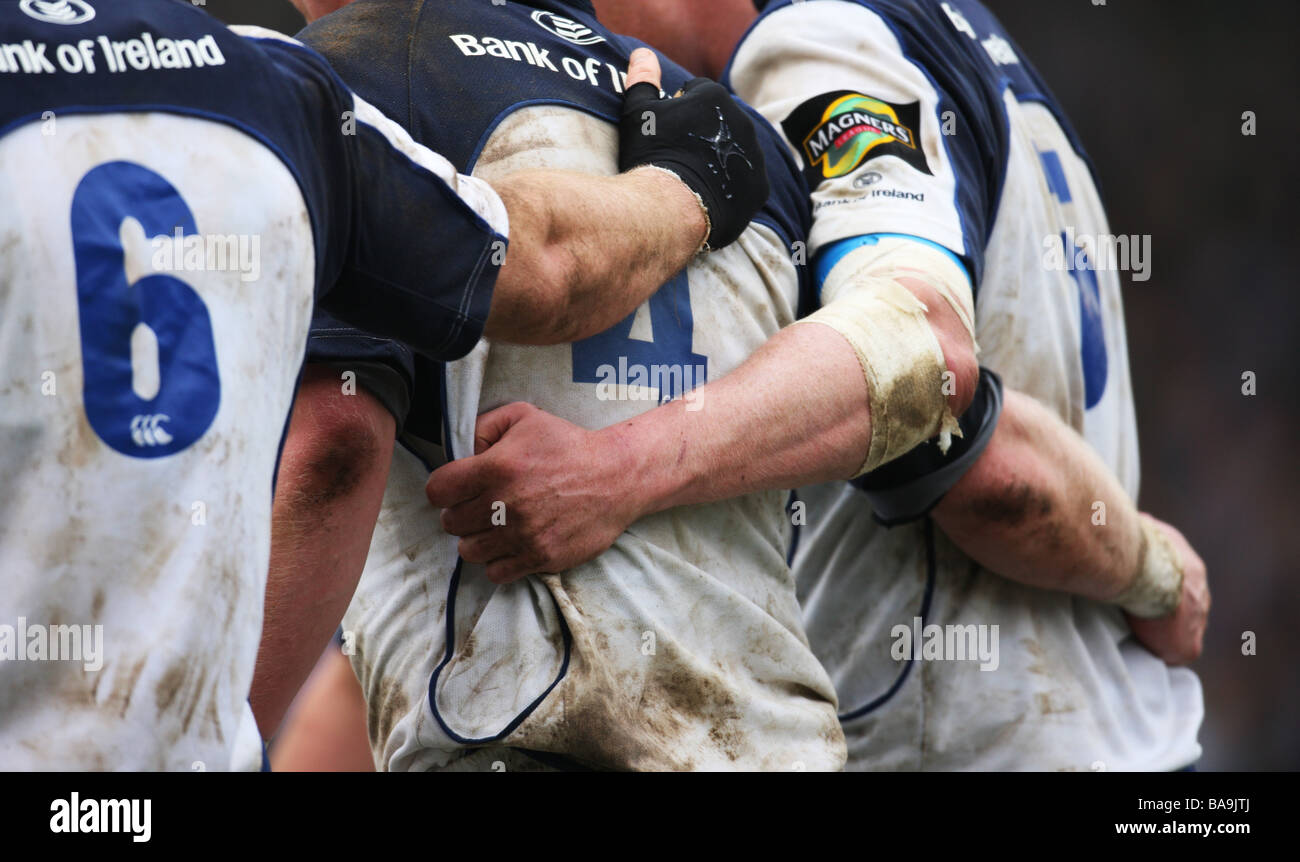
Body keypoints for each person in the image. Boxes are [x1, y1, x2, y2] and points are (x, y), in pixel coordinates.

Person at [434, 0, 1208, 770]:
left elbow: (927, 357)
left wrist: (612, 474)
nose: (583, 28)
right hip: (1128, 736)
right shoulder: (974, 48)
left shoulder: (818, 42)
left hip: (985, 748)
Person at [0, 0, 765, 770]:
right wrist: (686, 183)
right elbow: (546, 264)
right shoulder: (267, 87)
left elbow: (336, 447)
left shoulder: (341, 70)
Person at [253, 0, 879, 771]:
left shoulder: (355, 70)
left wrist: (209, 740)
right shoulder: (736, 134)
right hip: (780, 746)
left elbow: (335, 450)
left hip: (524, 741)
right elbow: (877, 388)